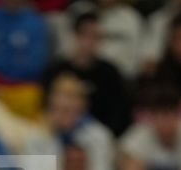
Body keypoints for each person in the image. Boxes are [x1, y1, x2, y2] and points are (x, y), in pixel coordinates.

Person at [42, 8, 131, 136]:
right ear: (75, 36)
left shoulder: (110, 73)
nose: (89, 42)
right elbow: (45, 106)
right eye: (85, 35)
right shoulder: (56, 70)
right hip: (58, 132)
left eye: (96, 37)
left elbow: (119, 113)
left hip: (98, 136)